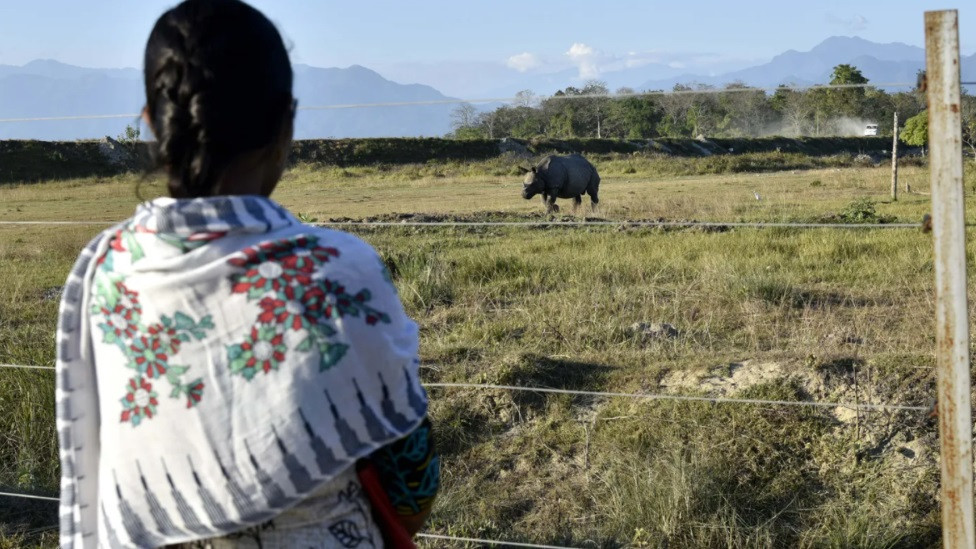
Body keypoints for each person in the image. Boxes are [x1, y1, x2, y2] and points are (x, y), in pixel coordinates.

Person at [55, 1, 438, 547]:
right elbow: (412, 486)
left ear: (150, 125)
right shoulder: (341, 275)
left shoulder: (105, 270)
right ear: (286, 124)